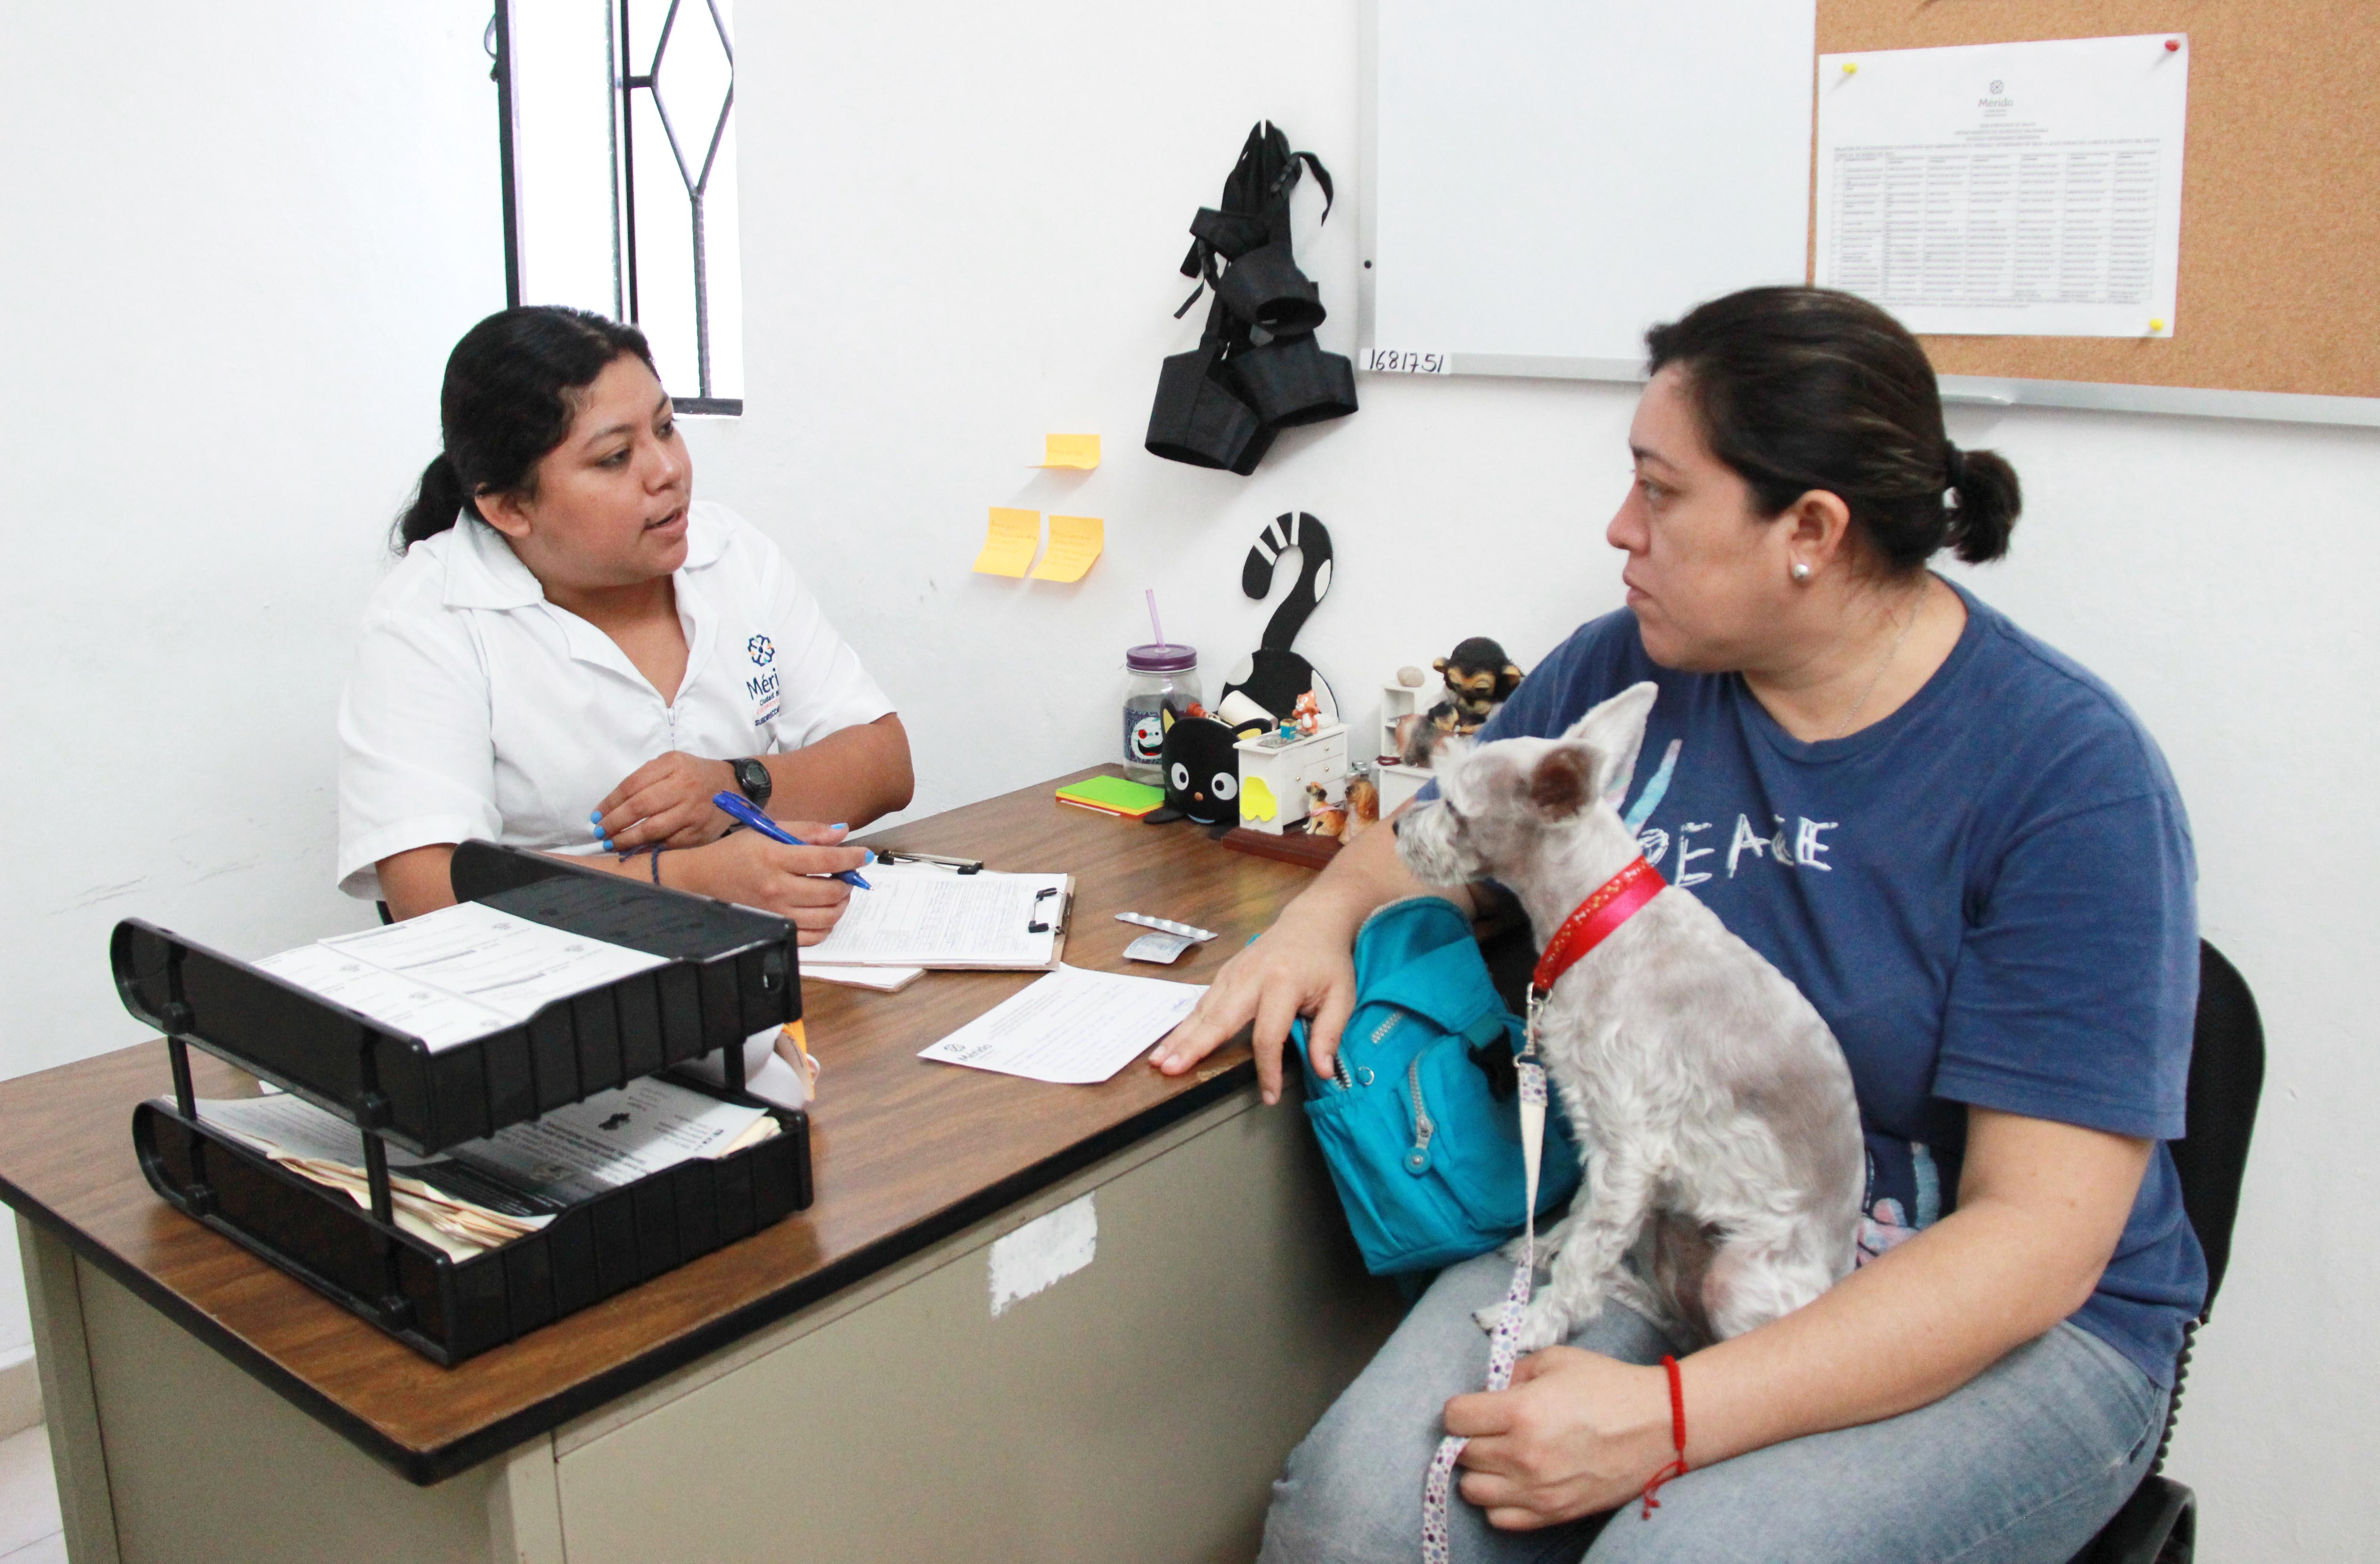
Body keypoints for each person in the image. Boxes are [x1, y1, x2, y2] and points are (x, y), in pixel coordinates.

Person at [1150, 286, 2202, 1563]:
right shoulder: (1626, 671)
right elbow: (1442, 824)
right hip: (1664, 1232)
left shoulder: (2065, 774)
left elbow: (2035, 1244)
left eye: (1660, 491)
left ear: (1809, 529)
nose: (1618, 530)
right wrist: (1315, 925)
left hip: (1982, 1308)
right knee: (1353, 1522)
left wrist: (1668, 1418)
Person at [337, 306, 912, 941]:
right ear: (508, 507)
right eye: (615, 457)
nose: (667, 471)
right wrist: (696, 881)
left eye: (666, 429)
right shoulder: (429, 617)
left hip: (767, 962)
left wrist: (740, 785)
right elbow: (431, 892)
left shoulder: (731, 554)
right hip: (549, 994)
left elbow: (884, 761)